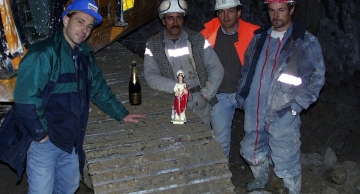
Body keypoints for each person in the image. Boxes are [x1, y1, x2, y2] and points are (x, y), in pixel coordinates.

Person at [12, 0, 146, 193]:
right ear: (66, 19)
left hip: (71, 140)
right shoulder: (43, 54)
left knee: (69, 187)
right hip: (45, 143)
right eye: (80, 21)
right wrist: (41, 135)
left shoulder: (84, 56)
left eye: (89, 26)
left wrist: (121, 114)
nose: (84, 30)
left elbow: (98, 88)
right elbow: (25, 99)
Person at [235, 0, 325, 193]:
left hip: (283, 109)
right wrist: (243, 94)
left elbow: (315, 78)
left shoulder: (304, 41)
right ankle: (260, 180)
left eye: (281, 10)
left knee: (286, 152)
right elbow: (247, 68)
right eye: (272, 11)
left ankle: (292, 189)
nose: (276, 16)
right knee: (252, 147)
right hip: (254, 107)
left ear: (292, 9)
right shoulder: (259, 37)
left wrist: (296, 106)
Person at [144, 0, 224, 125]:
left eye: (179, 18)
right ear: (163, 20)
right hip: (172, 102)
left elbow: (216, 69)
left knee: (202, 140)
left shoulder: (197, 40)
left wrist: (205, 95)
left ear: (183, 19)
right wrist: (177, 88)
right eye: (170, 18)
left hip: (199, 102)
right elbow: (151, 76)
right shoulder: (153, 44)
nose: (175, 23)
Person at [200, 0, 259, 159]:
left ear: (238, 13)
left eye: (230, 11)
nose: (226, 16)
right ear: (217, 14)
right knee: (219, 140)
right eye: (221, 12)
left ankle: (260, 175)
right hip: (220, 94)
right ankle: (222, 175)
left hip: (247, 93)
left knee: (255, 136)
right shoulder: (206, 35)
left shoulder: (255, 34)